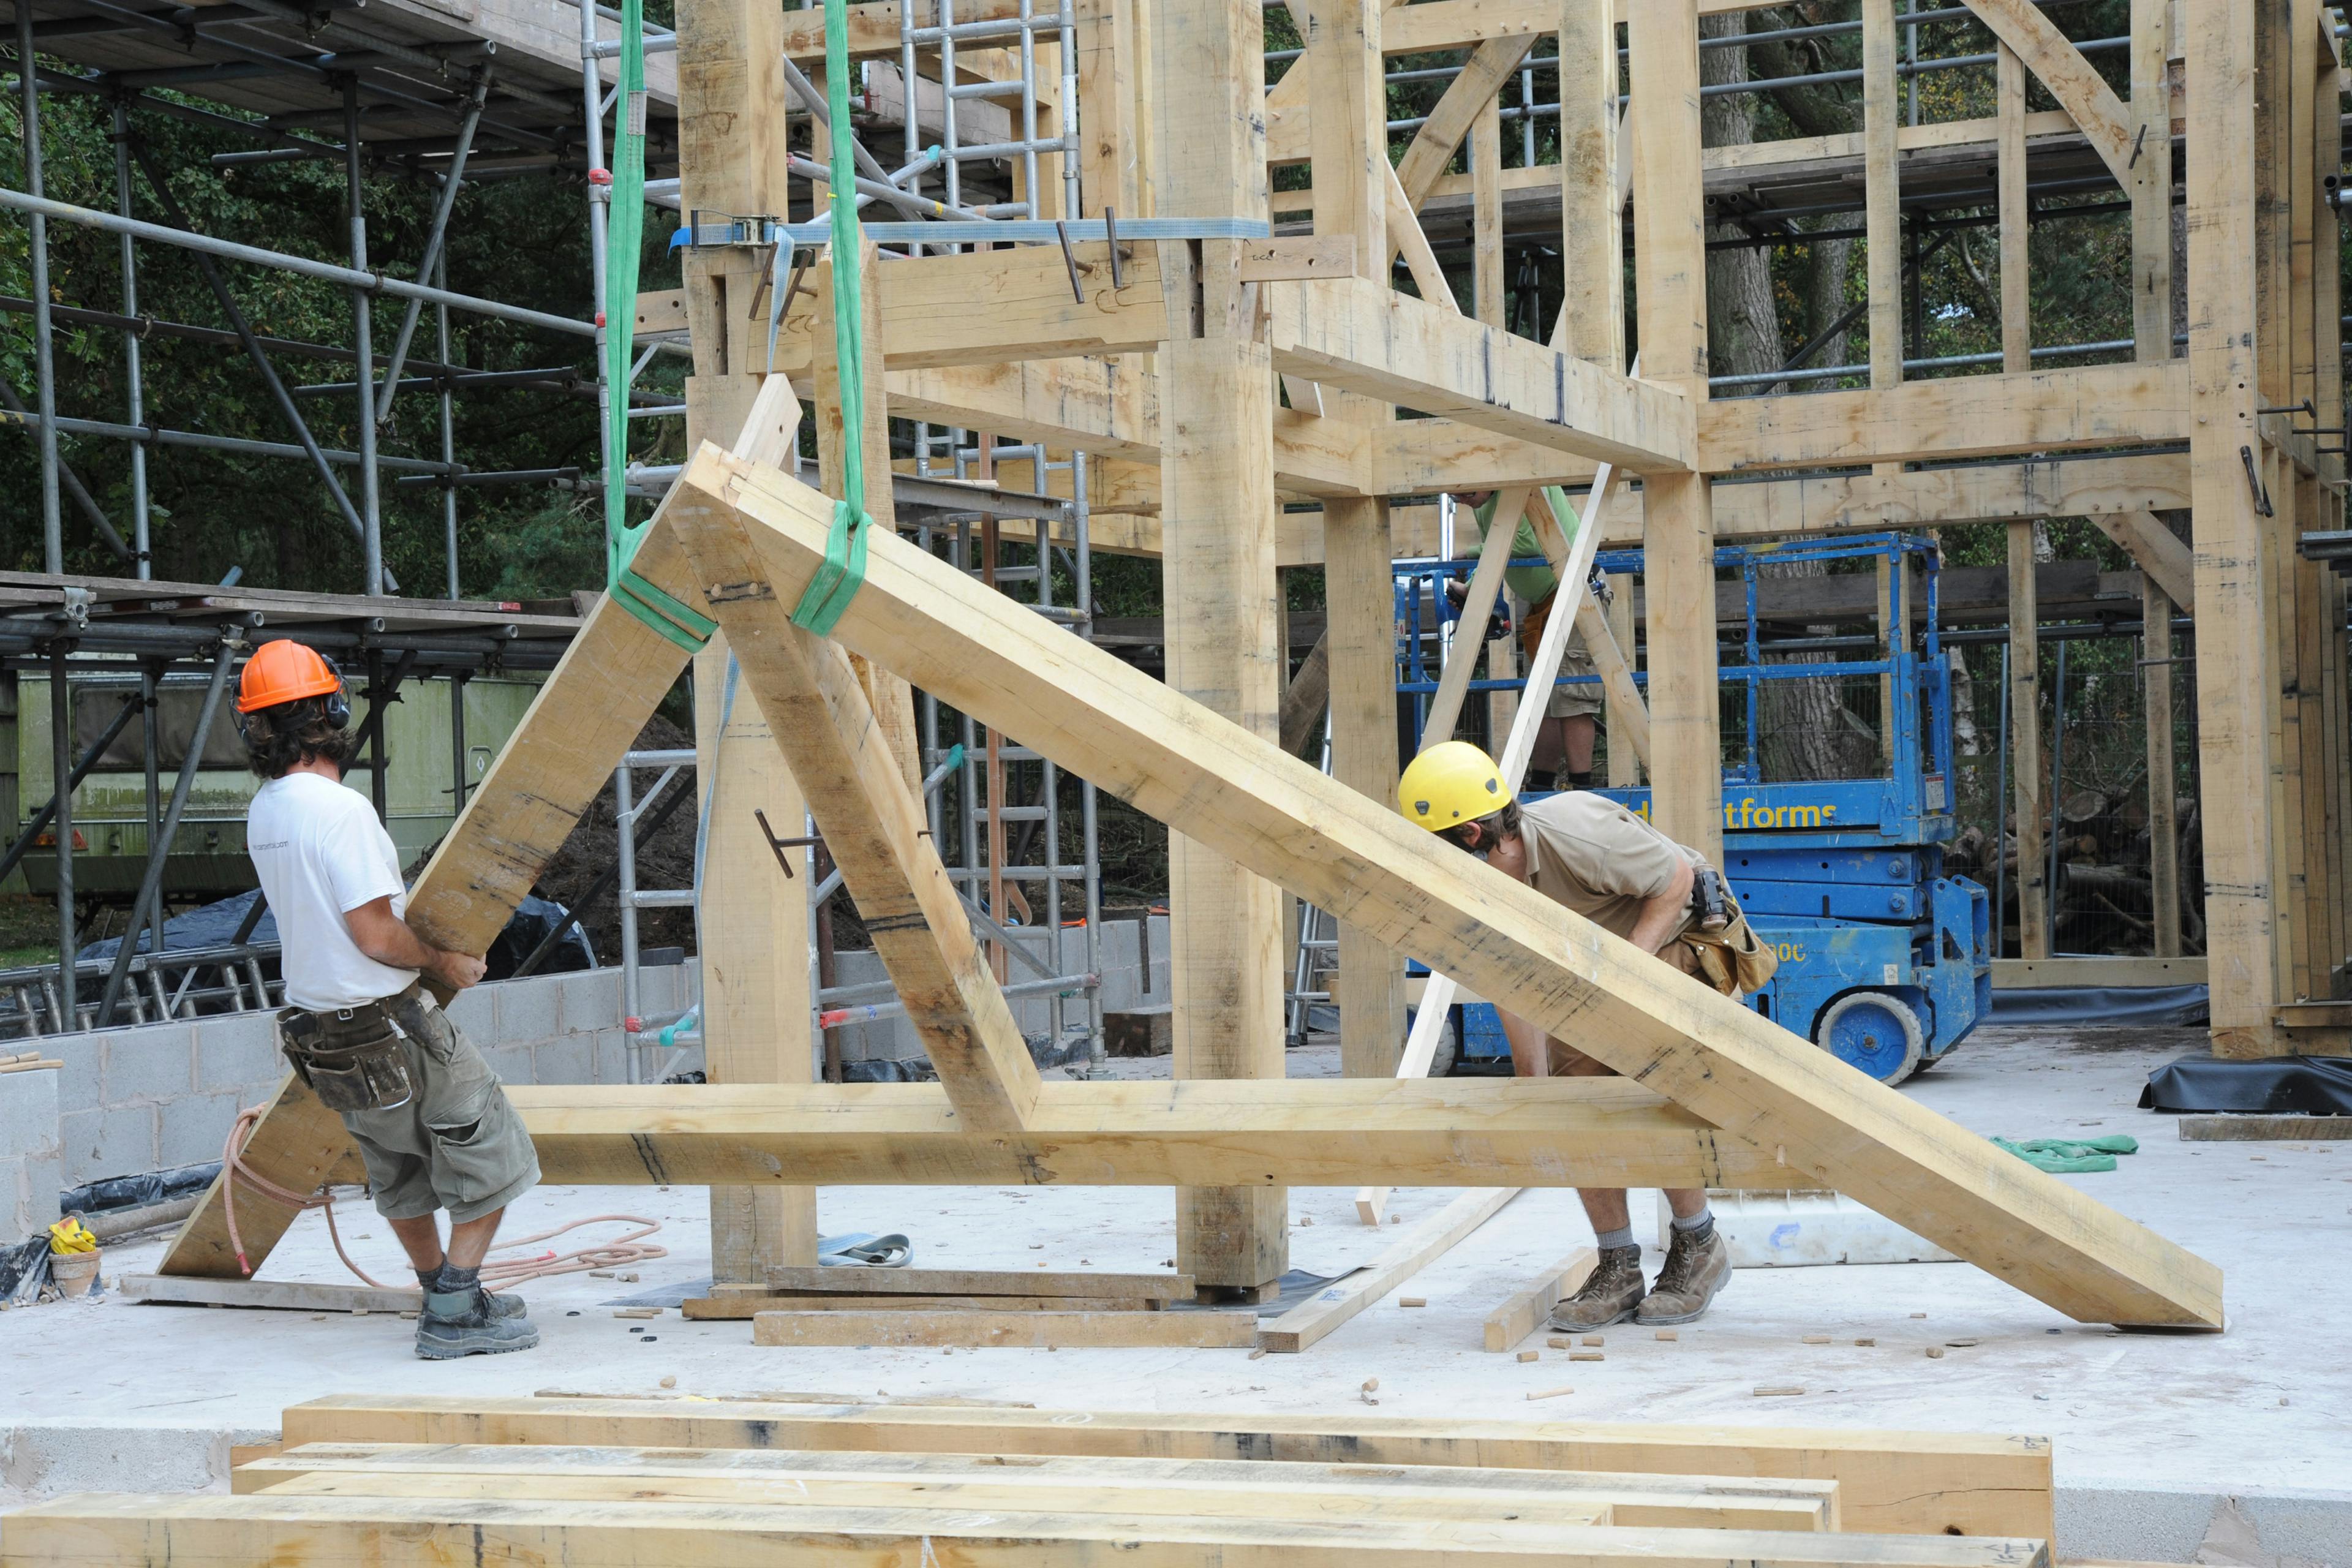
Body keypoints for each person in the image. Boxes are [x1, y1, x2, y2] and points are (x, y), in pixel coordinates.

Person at [1396, 741, 1776, 1330]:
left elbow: (1675, 881)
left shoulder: (1580, 833)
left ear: (1472, 834)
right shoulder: (1481, 890)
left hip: (1674, 940)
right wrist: (1539, 1087)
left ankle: (1699, 1246)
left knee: (1652, 1096)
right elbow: (1509, 977)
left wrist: (1622, 981)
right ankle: (1619, 1263)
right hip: (1589, 969)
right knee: (1577, 1104)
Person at [237, 639, 541, 1359]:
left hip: (321, 1031)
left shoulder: (266, 812)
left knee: (398, 1171)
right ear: (333, 714)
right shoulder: (341, 812)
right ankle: (457, 1308)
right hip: (391, 1021)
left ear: (254, 729)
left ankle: (443, 1291)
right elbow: (375, 933)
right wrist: (445, 961)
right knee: (495, 1150)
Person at [1450, 489, 1605, 789]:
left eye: (1467, 494)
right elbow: (1501, 549)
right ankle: (1541, 784)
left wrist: (1472, 553)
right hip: (1545, 604)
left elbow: (1524, 543)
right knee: (1542, 699)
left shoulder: (1522, 478)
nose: (1465, 501)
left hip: (1575, 593)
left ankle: (1583, 789)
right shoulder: (1482, 497)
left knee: (1573, 696)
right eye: (1456, 498)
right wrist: (1471, 586)